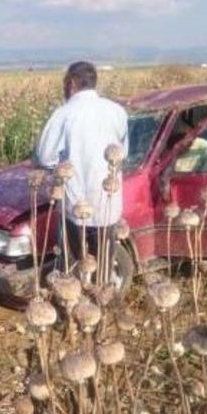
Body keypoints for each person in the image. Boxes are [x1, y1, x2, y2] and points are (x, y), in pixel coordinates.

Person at [36, 61, 128, 284]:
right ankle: (101, 309)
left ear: (72, 83)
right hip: (108, 202)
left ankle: (76, 310)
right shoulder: (117, 111)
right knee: (104, 264)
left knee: (75, 263)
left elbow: (45, 157)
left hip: (75, 203)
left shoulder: (64, 113)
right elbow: (122, 153)